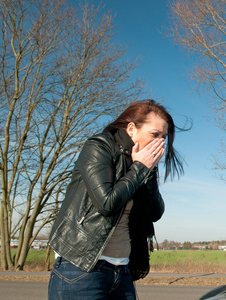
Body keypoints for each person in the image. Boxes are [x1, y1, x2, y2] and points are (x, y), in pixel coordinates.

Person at [47, 100, 184, 299]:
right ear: (131, 129)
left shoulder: (140, 165)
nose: (160, 143)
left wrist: (150, 172)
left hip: (121, 270)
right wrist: (140, 169)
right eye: (155, 135)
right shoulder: (100, 147)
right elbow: (107, 203)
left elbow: (155, 213)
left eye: (163, 137)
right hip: (82, 267)